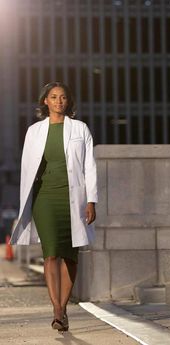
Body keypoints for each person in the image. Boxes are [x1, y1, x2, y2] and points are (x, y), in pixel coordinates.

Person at [10, 82, 98, 332]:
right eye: (53, 97)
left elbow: (89, 167)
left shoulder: (80, 129)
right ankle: (57, 310)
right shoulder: (34, 131)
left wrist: (91, 200)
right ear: (45, 101)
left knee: (70, 256)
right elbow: (27, 169)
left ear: (68, 102)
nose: (59, 101)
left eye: (63, 97)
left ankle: (64, 307)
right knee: (51, 253)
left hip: (74, 198)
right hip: (45, 197)